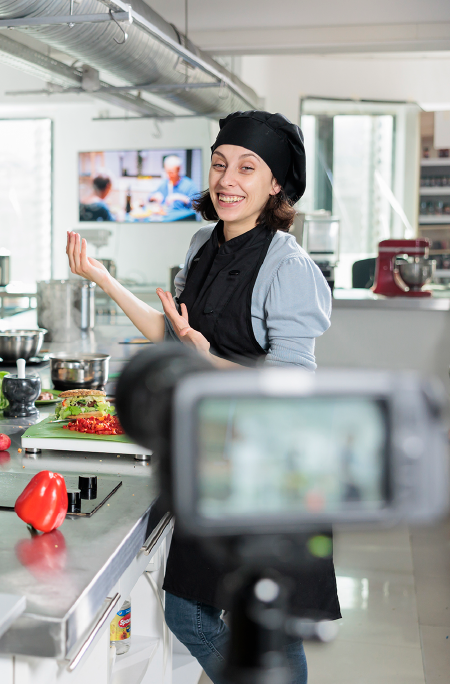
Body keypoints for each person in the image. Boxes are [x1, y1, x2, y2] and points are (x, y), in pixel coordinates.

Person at [67, 110, 339, 683]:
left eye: (247, 167)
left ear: (277, 186)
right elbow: (172, 331)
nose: (227, 179)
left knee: (250, 618)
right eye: (219, 164)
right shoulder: (202, 243)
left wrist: (204, 357)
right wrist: (101, 276)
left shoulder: (289, 267)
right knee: (195, 611)